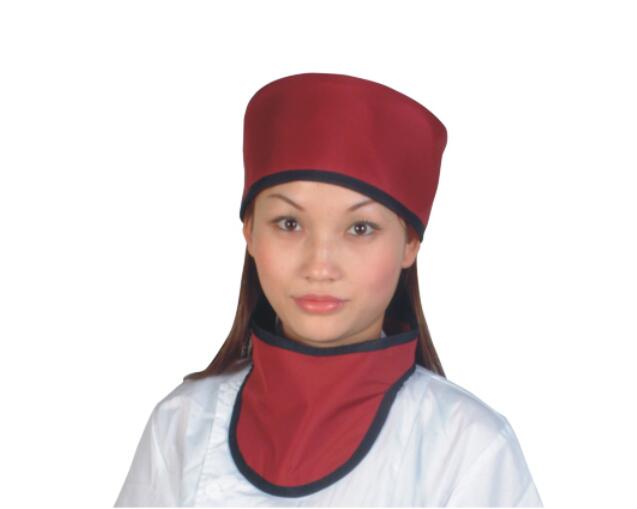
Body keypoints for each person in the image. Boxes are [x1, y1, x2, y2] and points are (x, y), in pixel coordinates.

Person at [114, 72, 543, 507]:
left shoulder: (467, 450)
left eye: (360, 228)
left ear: (410, 243)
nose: (319, 266)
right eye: (289, 223)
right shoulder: (183, 426)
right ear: (250, 232)